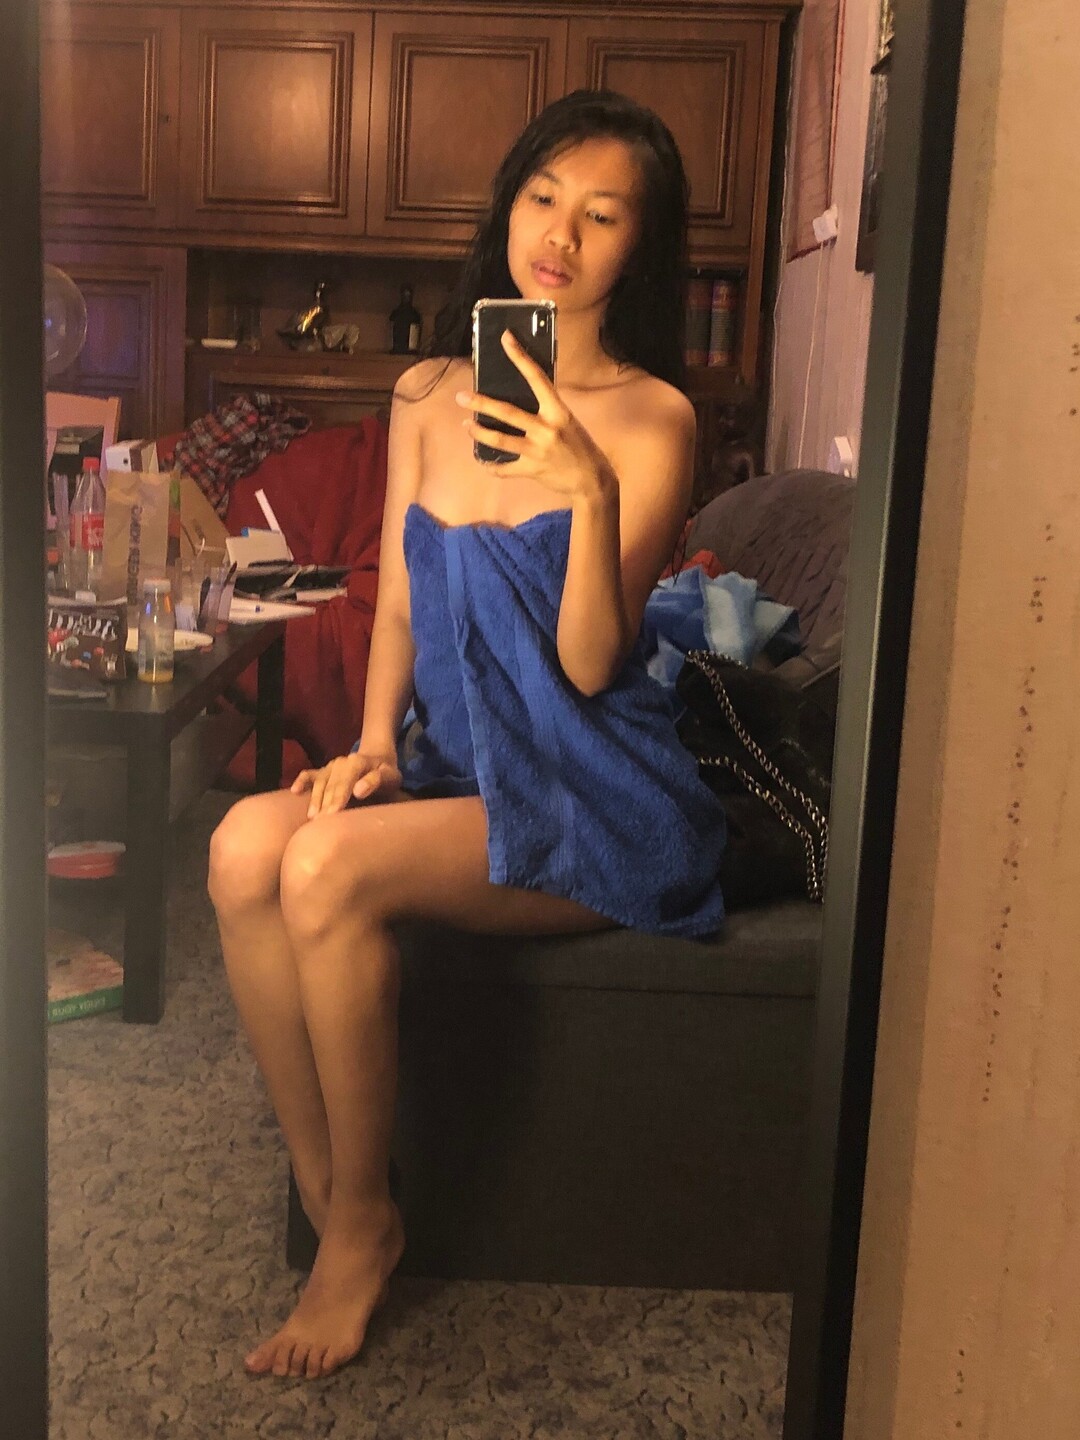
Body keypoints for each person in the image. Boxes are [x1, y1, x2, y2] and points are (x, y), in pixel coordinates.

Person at [207, 89, 725, 1382]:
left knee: (325, 869)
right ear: (508, 206)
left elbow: (593, 665)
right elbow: (396, 597)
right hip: (451, 769)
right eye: (544, 198)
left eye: (602, 215)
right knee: (241, 848)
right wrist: (375, 742)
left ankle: (357, 1229)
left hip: (593, 786)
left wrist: (587, 488)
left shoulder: (655, 419)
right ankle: (335, 1192)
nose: (561, 235)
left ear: (638, 247)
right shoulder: (428, 393)